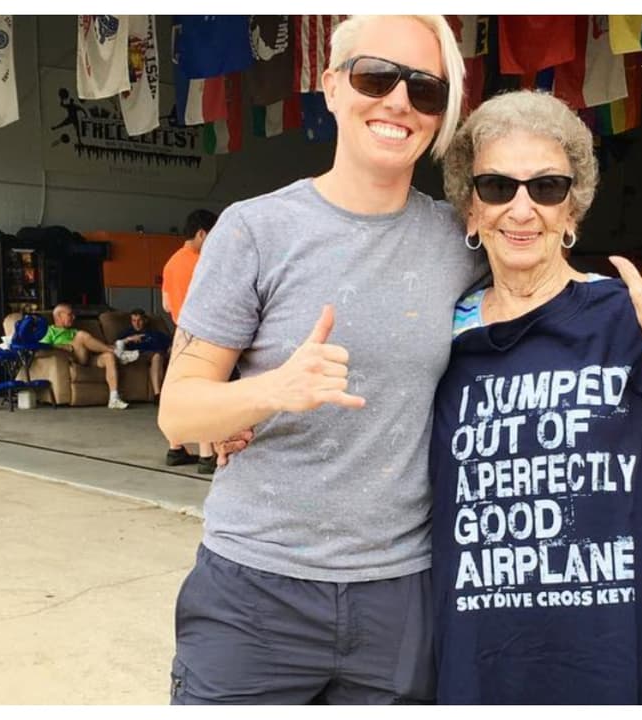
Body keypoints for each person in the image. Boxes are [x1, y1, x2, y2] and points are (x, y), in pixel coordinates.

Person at [158, 15, 481, 704]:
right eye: (376, 76)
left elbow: (544, 279)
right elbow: (177, 413)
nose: (398, 101)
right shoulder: (255, 229)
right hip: (254, 591)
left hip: (399, 597)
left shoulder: (460, 242)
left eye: (425, 89)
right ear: (331, 87)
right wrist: (271, 390)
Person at [429, 90, 642, 704]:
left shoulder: (634, 316)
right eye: (495, 187)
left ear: (572, 212)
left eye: (546, 188)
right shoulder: (439, 334)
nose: (521, 208)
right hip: (496, 636)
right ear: (470, 210)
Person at [161, 209, 219, 472]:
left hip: (180, 333)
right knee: (204, 394)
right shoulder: (204, 262)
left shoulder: (171, 262)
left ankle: (175, 449)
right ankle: (207, 456)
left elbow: (165, 304)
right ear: (201, 233)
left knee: (178, 391)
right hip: (204, 334)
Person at [41, 303, 136, 410]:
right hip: (73, 358)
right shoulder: (49, 331)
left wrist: (123, 342)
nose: (73, 317)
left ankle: (114, 398)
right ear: (59, 316)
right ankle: (118, 353)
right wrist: (63, 346)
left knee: (109, 357)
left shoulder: (73, 331)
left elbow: (97, 345)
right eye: (69, 314)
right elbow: (42, 346)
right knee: (81, 335)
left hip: (88, 357)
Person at [116, 308, 172, 400]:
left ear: (145, 320)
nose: (136, 323)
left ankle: (158, 395)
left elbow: (171, 343)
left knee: (158, 356)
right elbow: (116, 345)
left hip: (158, 354)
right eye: (134, 321)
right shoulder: (127, 333)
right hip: (139, 355)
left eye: (139, 320)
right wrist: (129, 339)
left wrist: (171, 348)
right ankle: (158, 394)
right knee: (157, 356)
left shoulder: (154, 333)